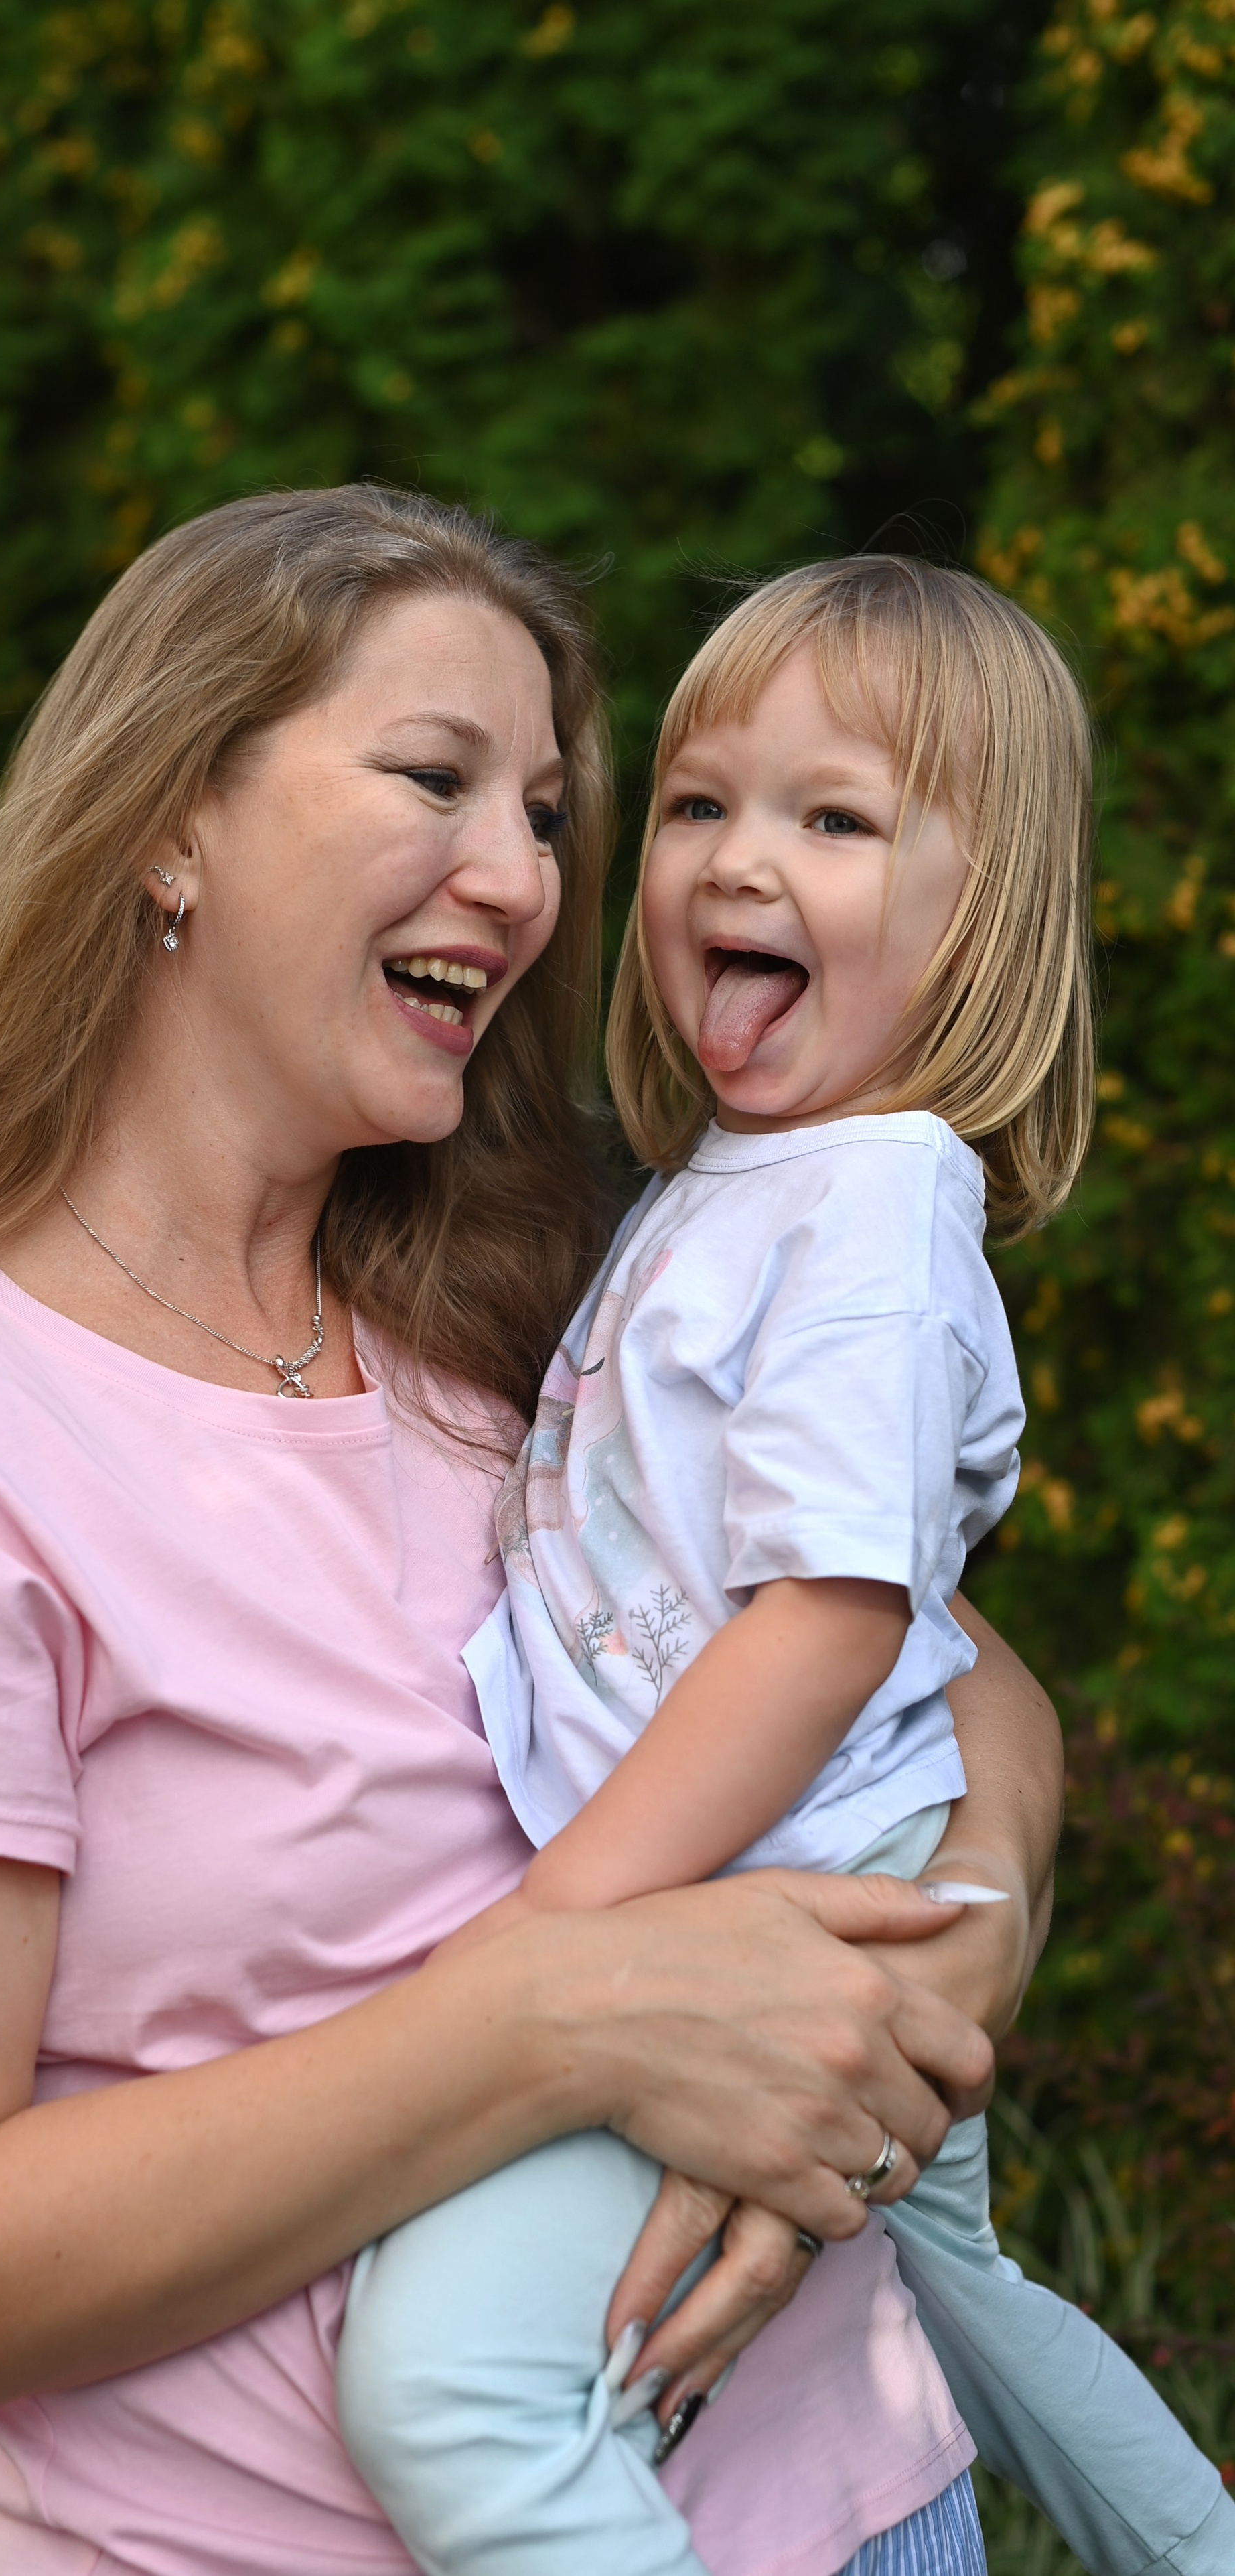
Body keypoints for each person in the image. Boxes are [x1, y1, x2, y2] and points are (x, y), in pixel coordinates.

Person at [0, 490, 1060, 2576]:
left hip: (865, 2506)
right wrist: (558, 2012)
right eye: (437, 778)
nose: (526, 877)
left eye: (547, 811)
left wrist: (950, 1943)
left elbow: (950, 1666)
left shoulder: (541, 1291)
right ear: (169, 819)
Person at [336, 557, 1234, 2576]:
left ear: (978, 915)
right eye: (696, 805)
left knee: (450, 2383)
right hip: (832, 1867)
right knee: (974, 2283)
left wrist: (551, 1937)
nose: (740, 860)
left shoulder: (873, 1209)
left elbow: (832, 1623)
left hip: (784, 1893)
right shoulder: (747, 1183)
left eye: (834, 820)